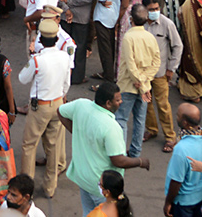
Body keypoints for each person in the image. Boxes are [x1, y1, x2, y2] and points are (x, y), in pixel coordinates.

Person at [59, 81, 150, 214]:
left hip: (83, 178)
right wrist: (140, 162)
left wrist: (78, 132)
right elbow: (118, 160)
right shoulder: (111, 127)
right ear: (108, 103)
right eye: (118, 100)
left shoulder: (81, 105)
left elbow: (60, 111)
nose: (121, 102)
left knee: (89, 213)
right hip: (102, 187)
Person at [17, 16, 71, 199]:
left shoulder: (38, 60)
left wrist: (33, 56)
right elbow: (66, 84)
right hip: (57, 104)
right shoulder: (65, 57)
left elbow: (22, 78)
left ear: (40, 40)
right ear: (57, 39)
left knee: (29, 145)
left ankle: (26, 188)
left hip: (39, 107)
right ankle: (50, 187)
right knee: (53, 146)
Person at [116, 3, 161, 157]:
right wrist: (145, 82)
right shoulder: (150, 36)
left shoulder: (128, 37)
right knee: (139, 120)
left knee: (121, 119)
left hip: (128, 85)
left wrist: (140, 82)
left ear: (131, 19)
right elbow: (156, 62)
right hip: (145, 87)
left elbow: (130, 65)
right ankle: (135, 152)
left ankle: (120, 153)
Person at [140, 0, 183, 154]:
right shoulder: (139, 24)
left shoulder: (166, 24)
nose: (155, 12)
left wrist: (172, 68)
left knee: (163, 105)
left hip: (160, 73)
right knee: (146, 102)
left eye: (157, 9)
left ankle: (170, 137)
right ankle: (151, 129)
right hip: (143, 74)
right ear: (144, 11)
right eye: (151, 10)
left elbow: (178, 46)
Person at [164, 102, 202, 217]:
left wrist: (168, 202)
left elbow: (176, 181)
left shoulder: (181, 150)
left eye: (178, 115)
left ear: (185, 123)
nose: (176, 117)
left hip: (183, 202)